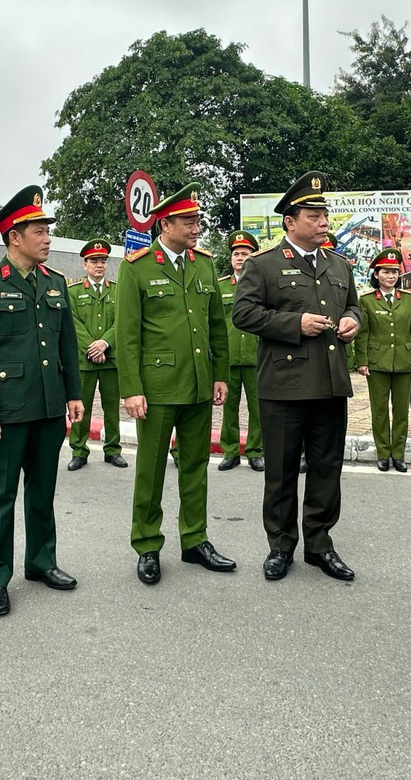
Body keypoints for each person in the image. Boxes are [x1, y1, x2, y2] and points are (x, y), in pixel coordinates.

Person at [232, 171, 362, 583]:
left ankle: (320, 544)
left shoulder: (339, 264)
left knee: (327, 468)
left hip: (329, 383)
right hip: (284, 387)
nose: (323, 221)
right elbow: (244, 314)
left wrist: (352, 322)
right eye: (313, 214)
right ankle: (281, 545)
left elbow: (356, 307)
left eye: (325, 214)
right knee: (282, 471)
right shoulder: (263, 265)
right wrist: (295, 323)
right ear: (290, 221)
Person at [0, 185, 83, 616]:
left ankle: (41, 562)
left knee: (42, 490)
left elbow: (67, 342)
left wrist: (73, 394)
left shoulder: (54, 283)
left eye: (48, 230)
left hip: (49, 406)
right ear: (15, 236)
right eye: (39, 230)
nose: (48, 237)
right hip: (6, 411)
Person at [117, 182, 235, 586]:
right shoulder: (136, 267)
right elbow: (128, 334)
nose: (196, 228)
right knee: (150, 469)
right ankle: (147, 545)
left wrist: (220, 374)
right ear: (165, 224)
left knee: (196, 465)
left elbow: (217, 327)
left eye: (198, 220)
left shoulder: (203, 264)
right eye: (188, 221)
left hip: (200, 385)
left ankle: (195, 539)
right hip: (158, 387)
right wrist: (131, 388)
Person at [354, 247, 411, 473]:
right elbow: (362, 333)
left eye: (394, 272)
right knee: (379, 411)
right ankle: (383, 454)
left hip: (404, 361)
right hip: (377, 362)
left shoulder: (410, 300)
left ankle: (398, 454)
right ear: (376, 274)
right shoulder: (367, 301)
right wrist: (362, 361)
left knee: (401, 411)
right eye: (385, 272)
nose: (390, 276)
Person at [67, 238, 126, 470]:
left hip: (111, 359)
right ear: (85, 264)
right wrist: (92, 346)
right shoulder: (73, 292)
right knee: (82, 407)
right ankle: (79, 451)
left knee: (112, 408)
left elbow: (122, 320)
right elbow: (72, 323)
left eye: (102, 260)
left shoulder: (118, 290)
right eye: (94, 261)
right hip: (84, 361)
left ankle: (113, 449)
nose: (99, 265)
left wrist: (105, 343)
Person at [217, 230, 264, 472]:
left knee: (258, 408)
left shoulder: (262, 285)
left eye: (245, 253)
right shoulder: (221, 286)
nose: (240, 258)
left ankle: (255, 451)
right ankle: (230, 451)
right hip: (228, 357)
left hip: (257, 356)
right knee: (229, 407)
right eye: (236, 254)